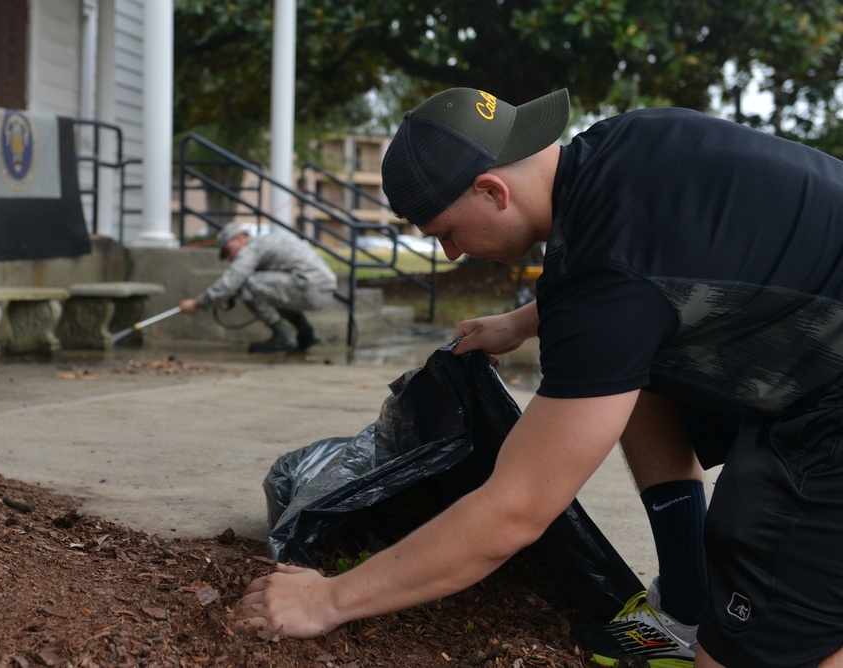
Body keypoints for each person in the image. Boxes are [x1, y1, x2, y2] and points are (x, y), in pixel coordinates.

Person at [236, 86, 843, 668]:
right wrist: (525, 321)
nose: (449, 254)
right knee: (637, 370)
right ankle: (687, 605)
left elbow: (518, 509)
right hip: (818, 351)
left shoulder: (607, 282)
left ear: (492, 191)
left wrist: (329, 599)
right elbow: (656, 268)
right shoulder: (623, 144)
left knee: (741, 642)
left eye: (445, 232)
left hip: (829, 413)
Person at [178, 223, 337, 353]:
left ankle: (282, 336)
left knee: (248, 285)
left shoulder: (252, 248)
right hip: (320, 288)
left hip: (310, 286)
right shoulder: (265, 243)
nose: (229, 258)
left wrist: (199, 303)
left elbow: (233, 280)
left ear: (239, 238)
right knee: (265, 291)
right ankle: (306, 333)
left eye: (227, 251)